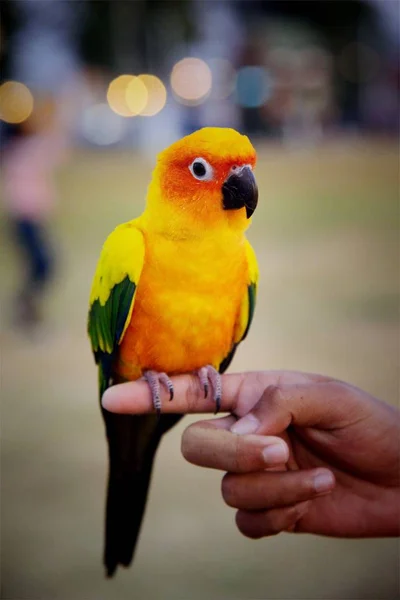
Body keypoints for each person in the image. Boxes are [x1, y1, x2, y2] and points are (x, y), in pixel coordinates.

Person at [102, 370, 400, 540]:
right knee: (128, 460)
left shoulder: (245, 268)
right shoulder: (129, 259)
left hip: (193, 376)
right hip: (138, 376)